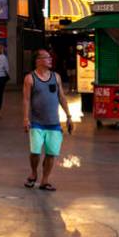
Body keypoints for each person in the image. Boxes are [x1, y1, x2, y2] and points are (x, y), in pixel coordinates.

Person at [22, 48, 73, 191]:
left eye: (50, 57)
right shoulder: (30, 78)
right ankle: (33, 173)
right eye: (46, 58)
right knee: (35, 151)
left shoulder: (56, 77)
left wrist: (69, 116)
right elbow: (26, 100)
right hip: (36, 123)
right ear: (38, 61)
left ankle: (45, 181)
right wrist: (26, 118)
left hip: (54, 123)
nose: (50, 60)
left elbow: (61, 97)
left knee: (51, 153)